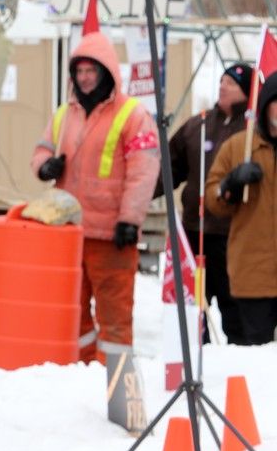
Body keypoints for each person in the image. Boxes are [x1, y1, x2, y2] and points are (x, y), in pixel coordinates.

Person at [31, 30, 159, 363]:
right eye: (80, 71)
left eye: (92, 71)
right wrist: (46, 166)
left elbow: (143, 171)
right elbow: (42, 149)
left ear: (106, 72)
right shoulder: (64, 113)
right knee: (72, 309)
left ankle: (115, 379)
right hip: (70, 233)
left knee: (115, 313)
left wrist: (130, 220)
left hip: (111, 235)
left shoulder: (133, 114)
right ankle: (82, 368)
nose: (85, 78)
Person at [157, 64, 253, 344]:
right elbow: (170, 169)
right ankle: (199, 358)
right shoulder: (197, 125)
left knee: (233, 308)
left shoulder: (252, 131)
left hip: (232, 236)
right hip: (194, 231)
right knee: (192, 307)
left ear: (247, 92)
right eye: (222, 80)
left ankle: (240, 363)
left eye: (232, 83)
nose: (223, 86)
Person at [206, 71, 277, 345]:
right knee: (253, 357)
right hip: (253, 277)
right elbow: (213, 200)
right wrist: (231, 185)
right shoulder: (238, 147)